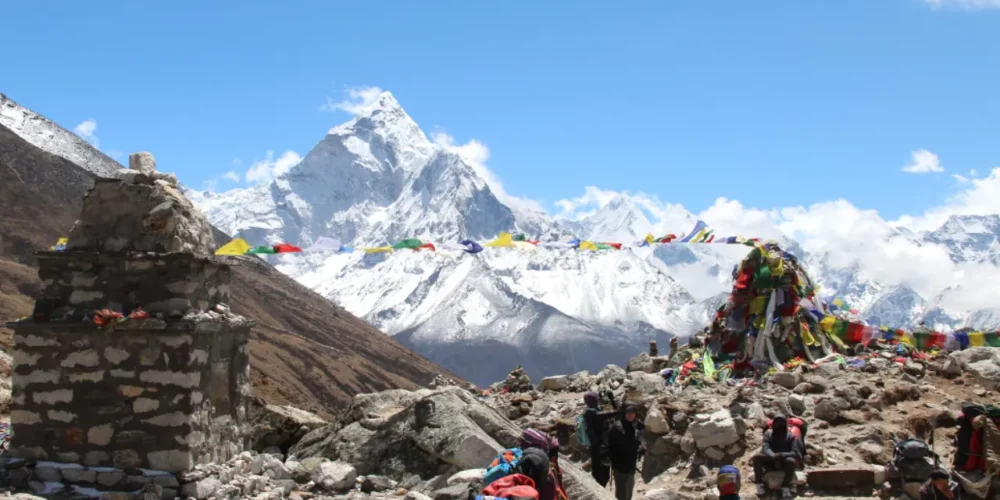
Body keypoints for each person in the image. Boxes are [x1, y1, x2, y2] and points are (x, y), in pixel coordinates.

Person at [752, 415, 803, 500]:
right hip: (771, 460)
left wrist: (782, 454)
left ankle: (785, 487)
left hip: (784, 462)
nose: (779, 426)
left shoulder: (790, 436)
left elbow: (794, 452)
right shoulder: (768, 433)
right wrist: (773, 455)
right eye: (777, 424)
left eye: (781, 424)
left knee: (790, 461)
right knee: (757, 458)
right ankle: (759, 485)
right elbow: (765, 447)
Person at [607, 403, 646, 500]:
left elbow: (640, 434)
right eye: (628, 412)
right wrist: (639, 448)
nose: (631, 415)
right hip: (621, 467)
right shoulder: (618, 428)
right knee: (622, 494)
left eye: (633, 412)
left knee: (628, 492)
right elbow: (627, 445)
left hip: (630, 466)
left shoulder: (632, 425)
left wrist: (641, 447)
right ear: (623, 413)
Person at [583, 390, 618, 487]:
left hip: (594, 448)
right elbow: (617, 412)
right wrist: (612, 398)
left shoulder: (588, 414)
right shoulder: (597, 415)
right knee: (603, 476)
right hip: (602, 449)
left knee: (597, 474)